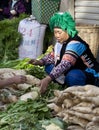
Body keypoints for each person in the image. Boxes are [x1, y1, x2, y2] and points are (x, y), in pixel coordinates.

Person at [28, 12, 99, 94]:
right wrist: (40, 62)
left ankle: (79, 89)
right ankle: (66, 82)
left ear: (67, 30)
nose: (57, 35)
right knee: (48, 66)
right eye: (55, 32)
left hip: (88, 73)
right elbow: (52, 56)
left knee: (73, 76)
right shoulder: (60, 42)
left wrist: (48, 78)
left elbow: (65, 64)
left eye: (59, 32)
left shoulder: (75, 44)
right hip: (72, 69)